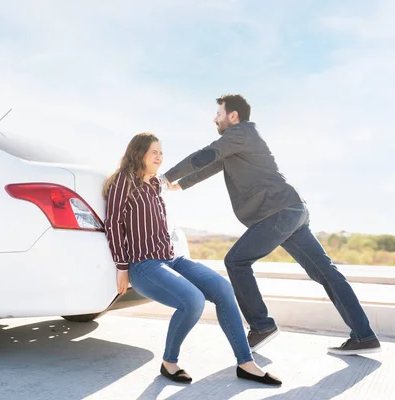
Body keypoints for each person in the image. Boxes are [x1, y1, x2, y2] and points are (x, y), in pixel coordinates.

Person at [160, 94, 381, 356]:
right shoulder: (239, 143)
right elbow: (212, 164)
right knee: (327, 273)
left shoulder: (240, 133)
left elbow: (206, 154)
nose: (214, 118)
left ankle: (262, 326)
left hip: (277, 211)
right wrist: (180, 184)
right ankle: (364, 336)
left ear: (233, 116)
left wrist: (164, 176)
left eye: (218, 113)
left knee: (236, 261)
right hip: (292, 209)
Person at [103, 132, 281, 385]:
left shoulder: (155, 185)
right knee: (193, 300)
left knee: (223, 289)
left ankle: (246, 363)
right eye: (154, 151)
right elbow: (113, 223)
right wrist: (122, 267)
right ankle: (169, 362)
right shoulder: (124, 180)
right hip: (144, 264)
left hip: (171, 259)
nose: (159, 157)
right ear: (138, 152)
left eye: (161, 152)